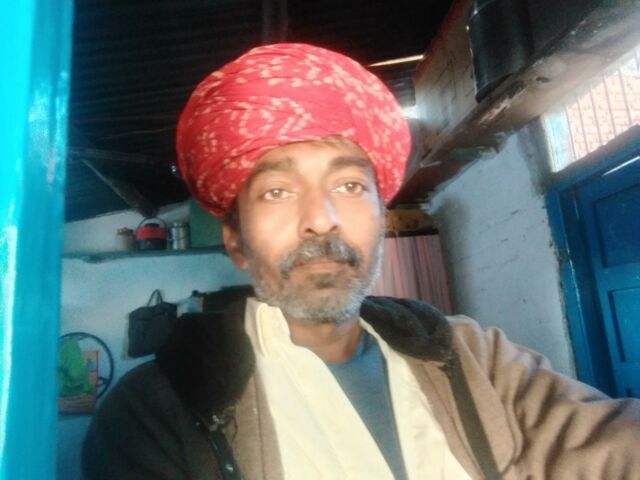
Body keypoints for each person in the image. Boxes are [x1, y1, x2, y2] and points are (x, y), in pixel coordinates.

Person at [83, 43, 640, 480]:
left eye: (349, 186)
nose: (321, 219)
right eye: (277, 192)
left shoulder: (472, 357)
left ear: (381, 215)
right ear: (236, 240)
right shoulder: (156, 413)